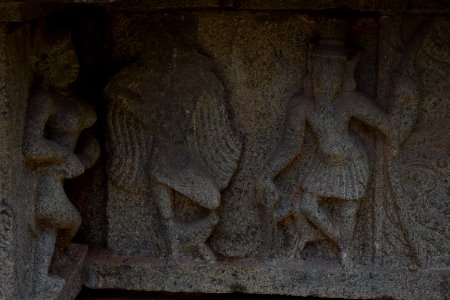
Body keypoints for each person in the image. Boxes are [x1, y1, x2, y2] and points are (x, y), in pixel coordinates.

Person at [257, 39, 394, 265]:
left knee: (348, 211)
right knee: (306, 205)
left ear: (342, 76)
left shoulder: (350, 102)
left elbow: (387, 124)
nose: (326, 82)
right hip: (324, 163)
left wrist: (406, 100)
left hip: (352, 163)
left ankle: (345, 251)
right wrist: (267, 173)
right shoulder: (302, 107)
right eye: (321, 73)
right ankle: (338, 239)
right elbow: (290, 147)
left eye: (333, 74)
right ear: (313, 72)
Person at [23, 25, 100, 294]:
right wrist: (66, 155)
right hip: (47, 175)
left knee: (66, 222)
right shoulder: (45, 99)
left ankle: (50, 267)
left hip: (65, 176)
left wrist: (86, 156)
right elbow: (31, 146)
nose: (73, 66)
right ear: (47, 67)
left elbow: (91, 135)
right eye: (64, 61)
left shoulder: (76, 99)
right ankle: (39, 281)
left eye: (74, 58)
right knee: (60, 220)